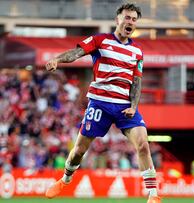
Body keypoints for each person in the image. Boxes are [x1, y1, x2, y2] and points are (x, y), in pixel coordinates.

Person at [44, 3, 161, 203]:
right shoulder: (101, 40)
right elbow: (76, 53)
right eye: (127, 17)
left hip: (124, 106)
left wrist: (133, 105)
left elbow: (136, 82)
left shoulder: (137, 52)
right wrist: (57, 59)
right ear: (118, 19)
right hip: (100, 103)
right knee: (79, 150)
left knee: (143, 145)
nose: (130, 22)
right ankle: (65, 179)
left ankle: (153, 194)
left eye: (134, 19)